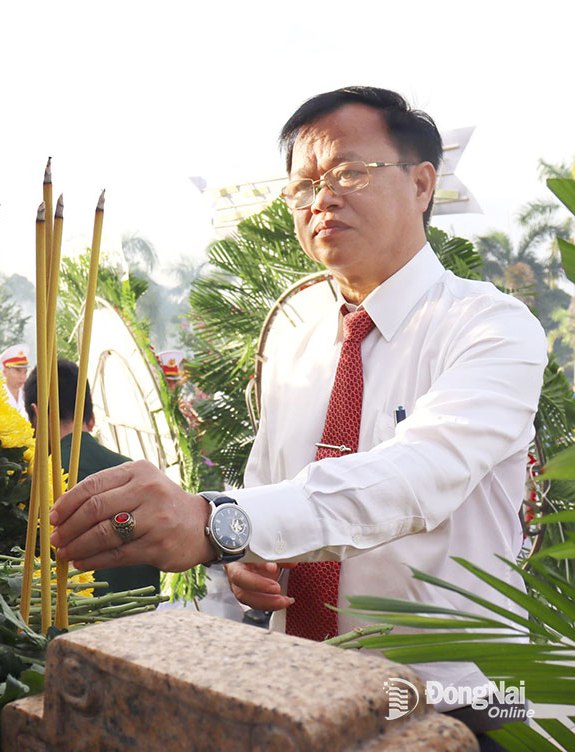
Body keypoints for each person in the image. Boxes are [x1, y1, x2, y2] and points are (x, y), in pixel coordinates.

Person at [50, 87, 546, 746]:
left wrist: (221, 522)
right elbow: (263, 495)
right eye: (304, 185)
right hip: (298, 694)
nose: (323, 199)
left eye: (349, 173)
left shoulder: (491, 327)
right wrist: (246, 559)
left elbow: (417, 477)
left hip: (454, 695)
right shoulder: (295, 335)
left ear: (423, 184)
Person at [24, 358, 162, 597]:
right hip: (143, 628)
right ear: (92, 418)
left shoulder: (31, 481)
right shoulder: (138, 474)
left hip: (74, 633)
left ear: (35, 414)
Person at [0, 344, 30, 414]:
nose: (22, 376)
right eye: (18, 371)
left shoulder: (27, 394)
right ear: (5, 371)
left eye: (25, 372)